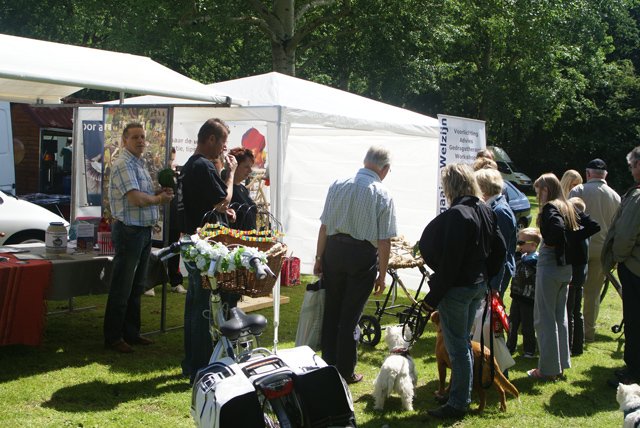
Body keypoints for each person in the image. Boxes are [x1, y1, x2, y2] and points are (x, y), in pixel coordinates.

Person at [419, 163, 506, 419]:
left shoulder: (458, 214)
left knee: (457, 347)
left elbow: (450, 263)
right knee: (464, 343)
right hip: (477, 286)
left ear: (450, 187)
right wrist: (487, 275)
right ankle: (461, 394)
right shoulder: (485, 210)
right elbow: (500, 248)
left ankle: (458, 403)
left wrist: (432, 298)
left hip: (458, 289)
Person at [314, 146, 397, 385]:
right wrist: (382, 275)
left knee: (332, 310)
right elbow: (384, 240)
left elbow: (324, 226)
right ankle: (345, 370)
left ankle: (327, 363)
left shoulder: (338, 184)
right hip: (361, 255)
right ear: (385, 169)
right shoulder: (382, 193)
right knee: (350, 315)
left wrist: (319, 257)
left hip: (334, 250)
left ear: (365, 161)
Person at [103, 122, 174, 353]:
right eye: (135, 137)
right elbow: (135, 199)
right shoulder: (124, 164)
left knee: (136, 286)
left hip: (141, 230)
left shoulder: (139, 164)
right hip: (129, 231)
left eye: (143, 137)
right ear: (125, 141)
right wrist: (159, 200)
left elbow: (143, 196)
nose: (141, 141)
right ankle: (114, 338)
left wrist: (157, 194)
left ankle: (131, 334)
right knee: (122, 287)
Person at [177, 118, 238, 383]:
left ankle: (191, 363)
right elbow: (223, 199)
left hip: (192, 240)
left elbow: (211, 202)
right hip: (203, 246)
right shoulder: (202, 165)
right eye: (223, 143)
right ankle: (200, 364)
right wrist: (231, 173)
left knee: (194, 306)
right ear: (210, 139)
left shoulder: (191, 165)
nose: (223, 150)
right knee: (202, 308)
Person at [528, 173, 577, 381]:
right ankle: (560, 364)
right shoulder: (567, 206)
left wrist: (549, 241)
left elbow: (556, 231)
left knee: (544, 318)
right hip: (566, 267)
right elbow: (589, 226)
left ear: (546, 189)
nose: (537, 195)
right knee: (560, 317)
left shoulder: (550, 208)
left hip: (550, 266)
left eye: (538, 191)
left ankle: (547, 369)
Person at [569, 158, 620, 342]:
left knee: (572, 290)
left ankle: (570, 331)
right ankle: (587, 333)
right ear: (605, 175)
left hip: (579, 248)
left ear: (588, 174)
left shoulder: (579, 191)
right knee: (593, 293)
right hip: (603, 250)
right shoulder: (616, 196)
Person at [602, 146, 640, 387]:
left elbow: (625, 235)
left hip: (635, 268)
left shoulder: (637, 197)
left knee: (635, 320)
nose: (631, 170)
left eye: (632, 165)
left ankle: (634, 372)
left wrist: (618, 257)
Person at [565, 197, 600, 356]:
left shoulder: (577, 231)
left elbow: (595, 226)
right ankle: (577, 346)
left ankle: (569, 346)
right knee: (576, 311)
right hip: (580, 274)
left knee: (570, 311)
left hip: (574, 275)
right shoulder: (582, 231)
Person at [475, 167, 516, 296]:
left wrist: (495, 286)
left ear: (483, 188)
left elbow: (501, 250)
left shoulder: (500, 211)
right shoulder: (494, 206)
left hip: (496, 276)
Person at [507, 227, 541, 358]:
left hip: (528, 299)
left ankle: (529, 350)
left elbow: (525, 275)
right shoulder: (522, 257)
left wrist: (519, 259)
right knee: (512, 322)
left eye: (521, 243)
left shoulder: (534, 261)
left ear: (533, 245)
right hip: (516, 296)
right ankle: (510, 346)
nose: (518, 246)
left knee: (528, 325)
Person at [168, 147, 186, 294]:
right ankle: (150, 284)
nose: (171, 162)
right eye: (169, 159)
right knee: (155, 252)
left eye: (172, 159)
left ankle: (175, 281)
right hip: (159, 220)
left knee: (174, 251)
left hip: (174, 219)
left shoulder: (176, 176)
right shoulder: (156, 174)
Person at [226, 147, 257, 231]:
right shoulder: (227, 188)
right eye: (246, 167)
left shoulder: (243, 189)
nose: (250, 170)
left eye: (251, 167)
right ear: (235, 166)